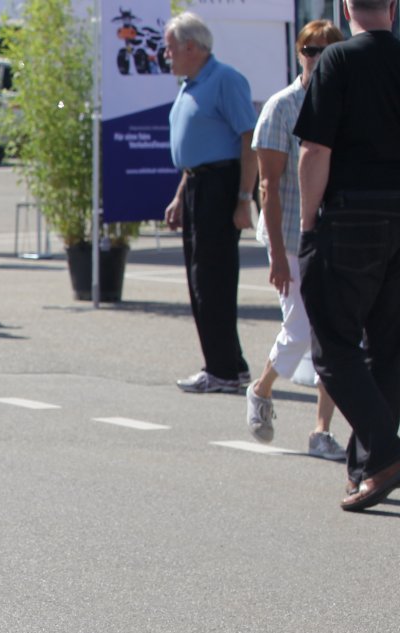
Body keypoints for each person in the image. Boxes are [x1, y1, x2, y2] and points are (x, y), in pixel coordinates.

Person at [295, 0, 400, 510]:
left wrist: (307, 224)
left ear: (344, 8)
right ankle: (369, 468)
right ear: (394, 8)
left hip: (352, 216)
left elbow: (315, 149)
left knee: (333, 347)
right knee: (388, 348)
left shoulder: (337, 59)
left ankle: (385, 451)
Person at [245, 19, 345, 461]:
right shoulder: (282, 107)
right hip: (288, 233)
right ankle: (262, 388)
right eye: (310, 50)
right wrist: (279, 258)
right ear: (299, 54)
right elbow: (268, 186)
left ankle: (321, 430)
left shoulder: (347, 103)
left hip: (337, 233)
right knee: (301, 325)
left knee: (337, 332)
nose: (317, 58)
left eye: (327, 50)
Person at [162, 12, 257, 395]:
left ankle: (221, 371)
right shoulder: (190, 84)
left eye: (170, 47)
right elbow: (196, 150)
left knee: (213, 280)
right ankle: (232, 364)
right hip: (197, 184)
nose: (166, 55)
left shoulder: (225, 79)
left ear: (191, 47)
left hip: (220, 186)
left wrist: (244, 199)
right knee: (201, 278)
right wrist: (179, 195)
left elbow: (248, 138)